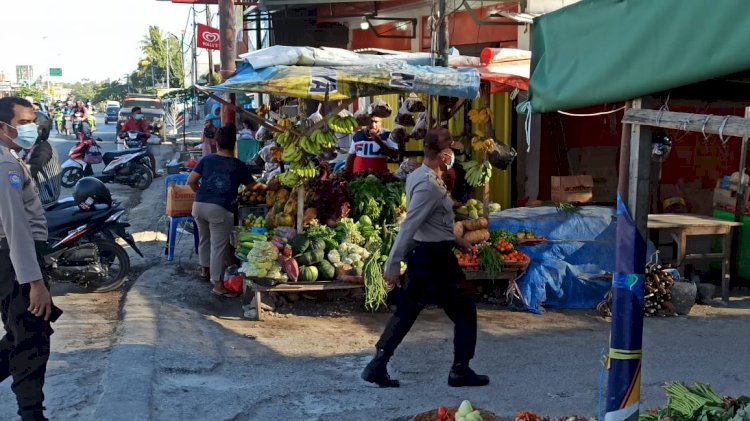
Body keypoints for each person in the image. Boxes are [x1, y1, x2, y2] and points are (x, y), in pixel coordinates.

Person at [361, 128, 489, 389]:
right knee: (465, 310)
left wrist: (457, 240)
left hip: (429, 254)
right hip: (434, 259)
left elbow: (432, 222)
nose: (454, 154)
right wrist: (392, 265)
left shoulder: (421, 174)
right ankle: (460, 371)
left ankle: (377, 365)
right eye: (451, 151)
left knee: (408, 311)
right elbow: (410, 226)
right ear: (443, 155)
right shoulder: (429, 185)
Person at [0, 97, 54, 421]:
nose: (31, 129)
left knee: (24, 334)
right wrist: (34, 282)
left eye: (32, 122)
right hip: (15, 260)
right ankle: (32, 415)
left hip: (9, 260)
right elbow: (16, 228)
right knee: (31, 341)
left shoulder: (10, 158)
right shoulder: (6, 165)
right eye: (23, 124)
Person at [188, 123, 266, 297]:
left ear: (217, 143)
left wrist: (201, 193)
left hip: (199, 206)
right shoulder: (237, 165)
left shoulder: (206, 160)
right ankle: (217, 285)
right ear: (234, 145)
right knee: (218, 247)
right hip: (220, 210)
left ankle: (204, 270)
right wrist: (267, 186)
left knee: (204, 239)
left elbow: (191, 181)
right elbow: (253, 187)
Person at [22, 112, 61, 205]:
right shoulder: (34, 146)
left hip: (44, 199)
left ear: (42, 130)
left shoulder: (43, 148)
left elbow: (29, 171)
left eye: (29, 129)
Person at [119, 107, 158, 176]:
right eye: (138, 113)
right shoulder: (128, 122)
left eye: (140, 113)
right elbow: (122, 132)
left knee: (151, 155)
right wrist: (122, 135)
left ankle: (154, 173)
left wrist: (147, 134)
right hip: (131, 144)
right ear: (133, 114)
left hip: (142, 143)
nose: (140, 114)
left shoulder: (143, 122)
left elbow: (147, 130)